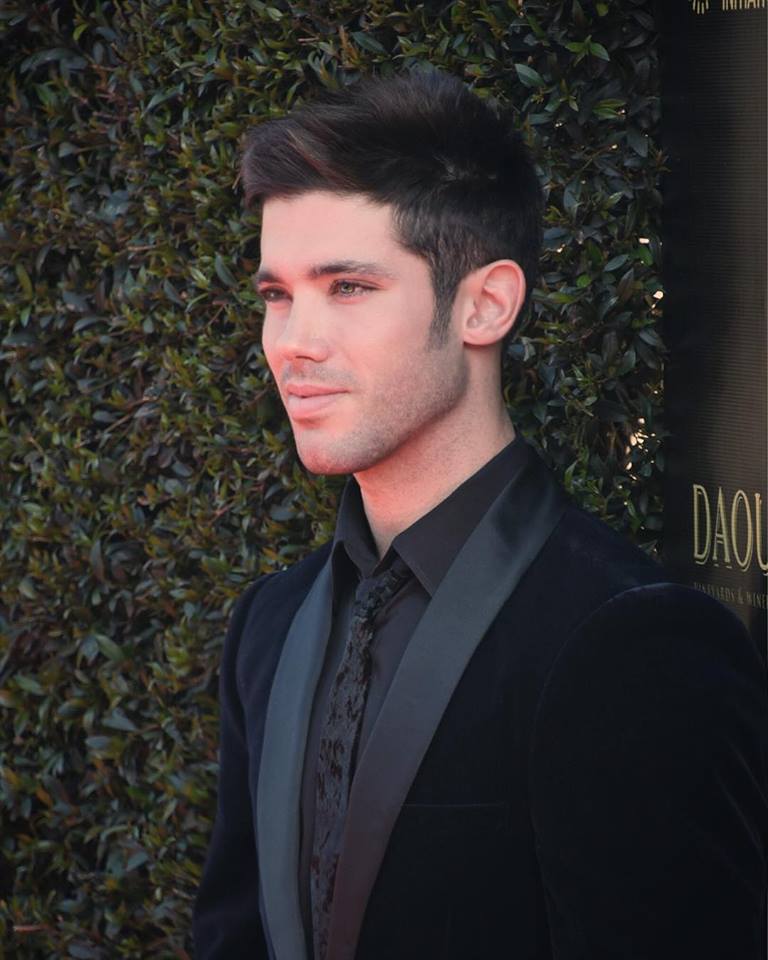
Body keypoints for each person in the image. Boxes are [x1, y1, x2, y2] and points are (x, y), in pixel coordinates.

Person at [193, 69, 768, 960]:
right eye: (277, 295)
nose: (293, 342)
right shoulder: (269, 624)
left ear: (485, 304)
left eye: (348, 288)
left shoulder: (629, 640)